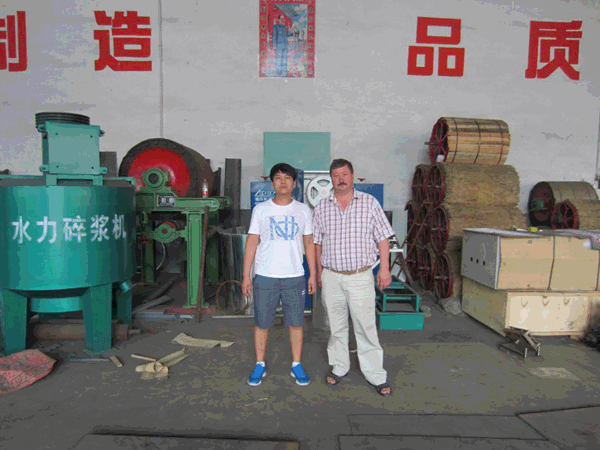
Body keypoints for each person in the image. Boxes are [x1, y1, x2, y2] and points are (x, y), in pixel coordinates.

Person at [312, 158, 394, 396]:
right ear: (331, 179)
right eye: (336, 175)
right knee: (336, 326)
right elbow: (317, 243)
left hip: (360, 276)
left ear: (352, 175)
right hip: (331, 276)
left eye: (345, 174)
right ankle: (339, 366)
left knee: (365, 326)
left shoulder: (369, 203)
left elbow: (383, 238)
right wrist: (319, 272)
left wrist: (385, 269)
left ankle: (375, 374)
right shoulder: (322, 207)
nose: (341, 179)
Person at [242, 162, 316, 387]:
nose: (283, 182)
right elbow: (252, 242)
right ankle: (259, 364)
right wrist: (246, 275)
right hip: (265, 275)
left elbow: (309, 243)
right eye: (278, 178)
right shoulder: (261, 210)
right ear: (272, 183)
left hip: (294, 275)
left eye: (287, 178)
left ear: (294, 184)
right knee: (262, 323)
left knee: (296, 323)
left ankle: (296, 364)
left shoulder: (303, 210)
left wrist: (312, 274)